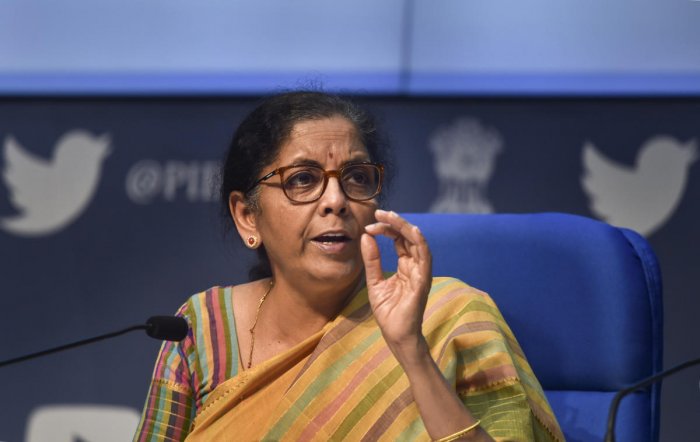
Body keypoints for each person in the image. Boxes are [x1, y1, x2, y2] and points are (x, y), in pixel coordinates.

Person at [134, 91, 564, 441]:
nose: (336, 200)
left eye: (357, 177)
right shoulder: (201, 330)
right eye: (303, 179)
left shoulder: (451, 316)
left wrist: (413, 353)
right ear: (248, 216)